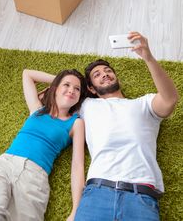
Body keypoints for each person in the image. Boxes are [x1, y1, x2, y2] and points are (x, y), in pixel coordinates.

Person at [75, 31, 179, 221]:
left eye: (108, 71)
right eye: (97, 75)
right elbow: (51, 95)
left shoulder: (143, 104)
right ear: (90, 88)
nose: (105, 75)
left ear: (117, 78)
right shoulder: (87, 106)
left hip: (140, 197)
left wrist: (148, 57)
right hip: (96, 195)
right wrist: (75, 83)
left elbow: (170, 99)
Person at [0, 68, 87, 221]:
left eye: (77, 89)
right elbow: (27, 74)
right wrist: (59, 80)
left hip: (35, 179)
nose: (71, 90)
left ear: (79, 97)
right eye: (66, 85)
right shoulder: (37, 109)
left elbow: (77, 165)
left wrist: (76, 209)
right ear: (55, 88)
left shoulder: (76, 123)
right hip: (5, 165)